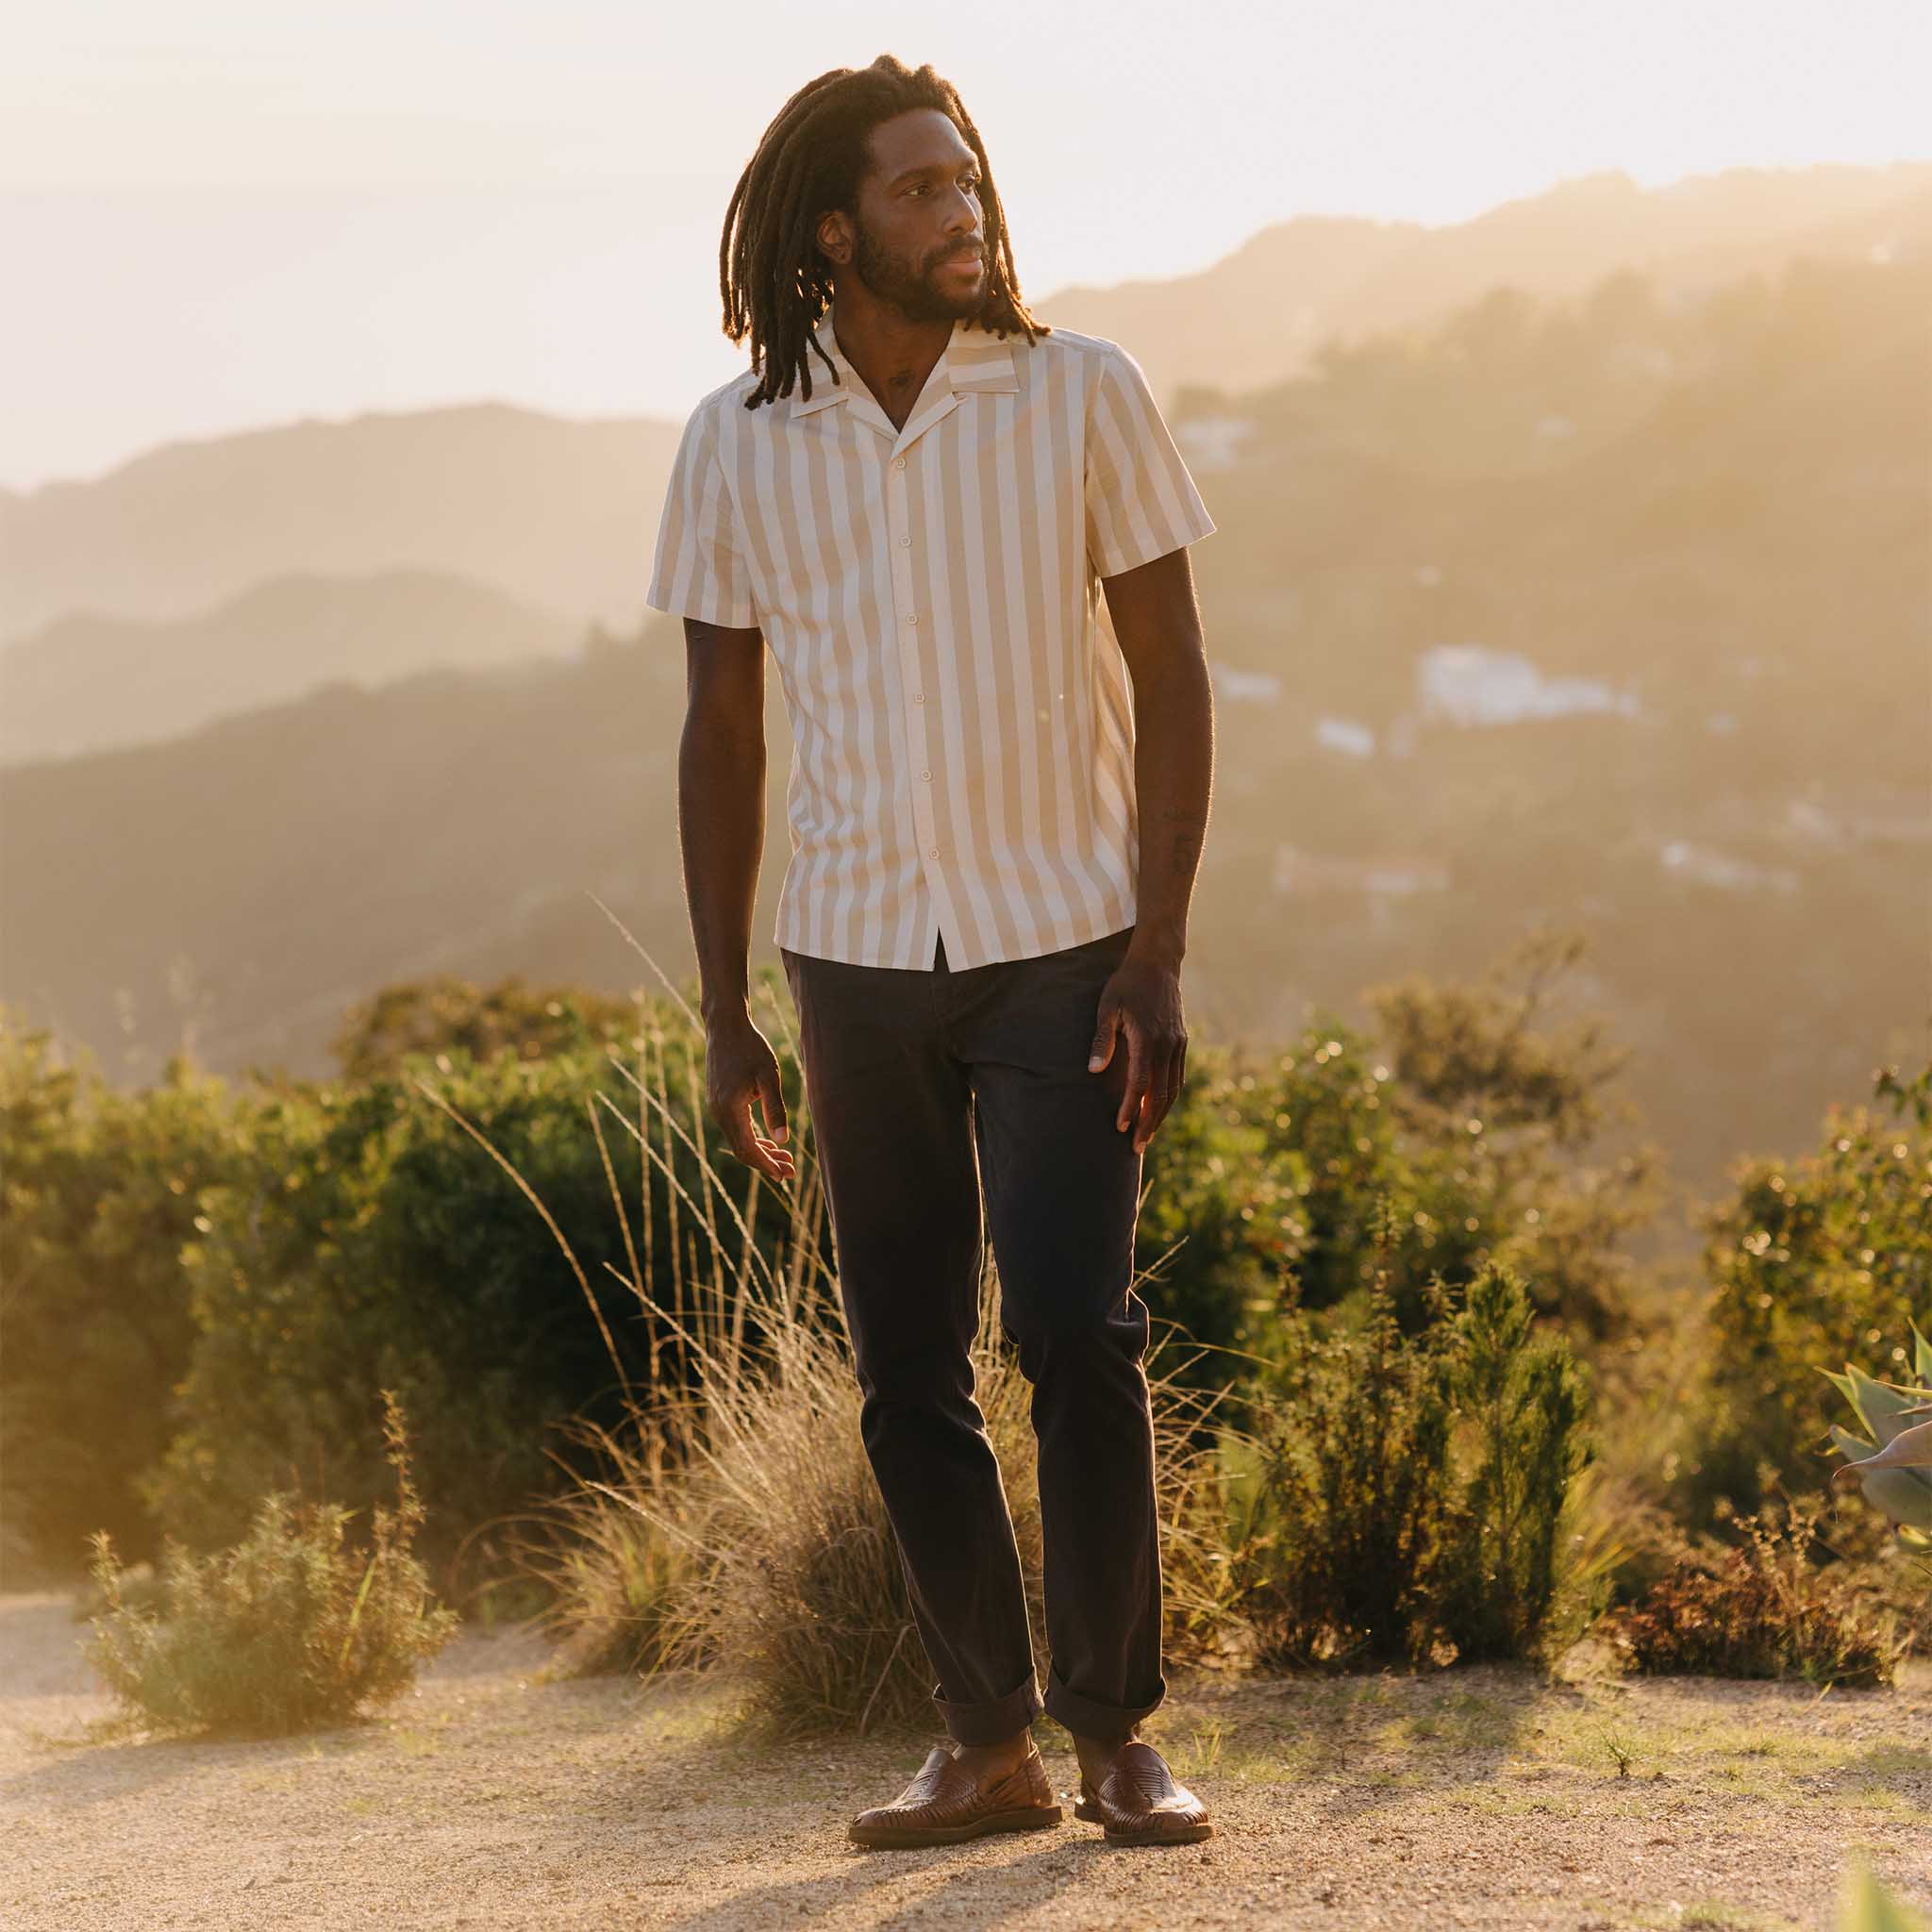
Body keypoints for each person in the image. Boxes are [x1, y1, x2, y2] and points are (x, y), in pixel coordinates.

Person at [645, 53, 1219, 1850]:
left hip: (1065, 944)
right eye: (918, 189)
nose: (960, 212)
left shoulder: (1079, 392)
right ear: (833, 231)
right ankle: (986, 1744)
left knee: (1074, 1329)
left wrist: (1157, 951)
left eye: (966, 179)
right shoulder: (738, 440)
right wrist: (728, 1007)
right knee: (905, 1364)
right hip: (854, 956)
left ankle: (1116, 1734)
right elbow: (721, 730)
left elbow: (1174, 673)